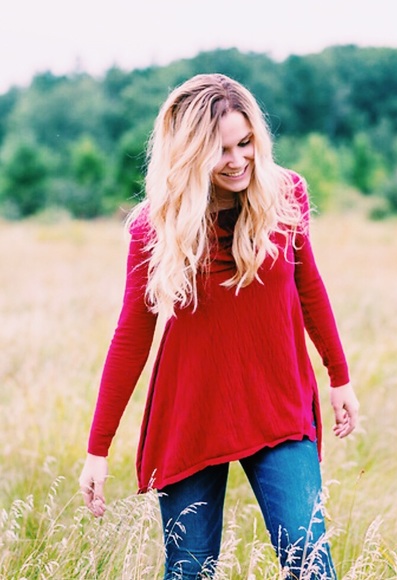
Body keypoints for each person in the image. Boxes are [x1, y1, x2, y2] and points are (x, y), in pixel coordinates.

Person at [79, 73, 359, 579]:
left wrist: (339, 377)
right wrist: (98, 449)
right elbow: (132, 334)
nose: (237, 160)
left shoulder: (285, 195)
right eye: (220, 151)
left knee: (309, 561)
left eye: (245, 143)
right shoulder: (155, 225)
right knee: (190, 570)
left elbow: (309, 286)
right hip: (192, 412)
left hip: (278, 403)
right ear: (189, 155)